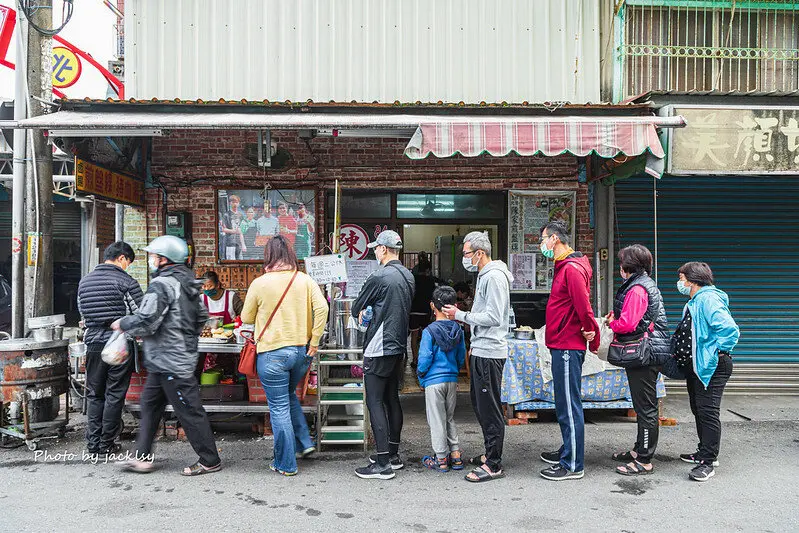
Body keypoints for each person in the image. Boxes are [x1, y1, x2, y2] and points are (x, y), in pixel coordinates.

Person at [114, 235, 221, 476]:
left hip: (171, 360)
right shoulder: (189, 283)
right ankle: (142, 458)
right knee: (150, 406)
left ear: (164, 259)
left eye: (153, 256)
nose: (151, 259)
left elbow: (147, 321)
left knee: (189, 410)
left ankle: (210, 459)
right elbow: (202, 317)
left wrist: (123, 323)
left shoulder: (162, 284)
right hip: (168, 359)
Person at [240, 236, 329, 476]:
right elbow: (322, 308)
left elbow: (247, 318)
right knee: (287, 398)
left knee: (278, 408)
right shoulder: (305, 280)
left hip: (272, 354)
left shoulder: (260, 283)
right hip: (301, 353)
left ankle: (286, 463)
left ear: (268, 255)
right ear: (290, 254)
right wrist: (315, 342)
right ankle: (302, 442)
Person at [442, 231, 512, 483]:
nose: (464, 258)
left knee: (490, 408)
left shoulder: (493, 277)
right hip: (482, 349)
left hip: (491, 352)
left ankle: (494, 463)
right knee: (480, 404)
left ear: (480, 253)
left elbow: (494, 317)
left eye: (466, 254)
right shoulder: (485, 276)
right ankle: (488, 453)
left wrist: (461, 315)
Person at [538, 221, 600, 481]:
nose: (542, 244)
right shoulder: (564, 267)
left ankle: (573, 464)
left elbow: (584, 307)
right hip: (562, 342)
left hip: (567, 344)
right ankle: (568, 449)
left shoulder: (572, 269)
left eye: (544, 239)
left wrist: (590, 330)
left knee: (568, 404)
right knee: (563, 402)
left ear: (555, 239)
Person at [351, 230, 414, 480]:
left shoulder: (379, 276)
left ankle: (383, 463)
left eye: (376, 248)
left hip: (378, 345)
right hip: (399, 345)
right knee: (391, 399)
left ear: (384, 249)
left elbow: (357, 306)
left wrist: (365, 312)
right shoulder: (407, 276)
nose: (375, 251)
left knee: (374, 401)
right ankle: (393, 454)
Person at [606, 245, 670, 476]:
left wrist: (612, 323)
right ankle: (638, 450)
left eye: (621, 262)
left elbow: (628, 324)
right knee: (644, 405)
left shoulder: (637, 289)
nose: (619, 267)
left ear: (629, 265)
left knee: (645, 408)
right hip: (649, 352)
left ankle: (644, 459)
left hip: (644, 354)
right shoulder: (643, 284)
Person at [77, 241, 144, 457]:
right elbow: (142, 314)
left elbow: (83, 314)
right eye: (129, 262)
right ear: (122, 258)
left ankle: (93, 444)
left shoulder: (84, 282)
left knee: (95, 394)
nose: (128, 267)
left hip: (94, 344)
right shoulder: (126, 281)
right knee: (114, 394)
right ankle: (107, 443)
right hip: (119, 345)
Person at [674, 262, 739, 482]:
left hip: (713, 364)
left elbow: (730, 330)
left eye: (681, 278)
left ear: (692, 280)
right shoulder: (695, 301)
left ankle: (708, 462)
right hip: (698, 365)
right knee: (699, 409)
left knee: (708, 411)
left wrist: (713, 353)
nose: (679, 283)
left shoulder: (708, 299)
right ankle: (703, 451)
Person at [418, 286, 466, 472]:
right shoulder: (458, 330)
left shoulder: (429, 331)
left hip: (433, 381)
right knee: (449, 417)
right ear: (454, 305)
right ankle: (455, 454)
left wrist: (421, 376)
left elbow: (424, 358)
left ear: (432, 306)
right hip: (451, 379)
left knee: (436, 419)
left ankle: (440, 459)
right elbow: (461, 356)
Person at [410, 254, 437, 368]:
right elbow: (433, 296)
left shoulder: (412, 279)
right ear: (427, 270)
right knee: (426, 337)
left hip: (413, 311)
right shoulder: (430, 281)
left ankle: (415, 360)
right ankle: (425, 360)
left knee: (414, 337)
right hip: (426, 312)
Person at [220, 194, 246, 260]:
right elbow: (223, 229)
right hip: (229, 243)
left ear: (239, 203)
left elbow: (241, 231)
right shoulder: (226, 215)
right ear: (230, 203)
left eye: (236, 202)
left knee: (241, 261)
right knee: (231, 261)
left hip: (239, 243)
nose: (235, 204)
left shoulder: (241, 215)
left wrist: (243, 244)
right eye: (233, 202)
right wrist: (234, 231)